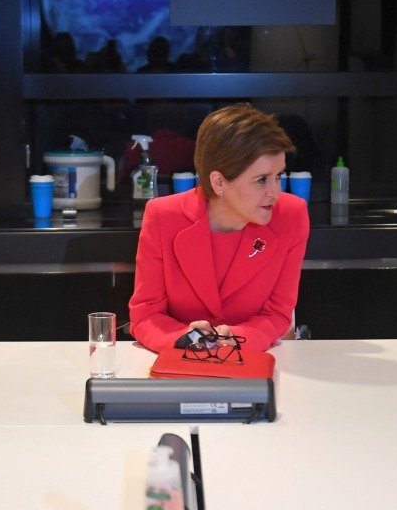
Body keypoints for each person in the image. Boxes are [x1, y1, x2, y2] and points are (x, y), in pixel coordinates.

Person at [129, 103, 309, 353]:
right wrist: (187, 339)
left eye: (278, 176)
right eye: (262, 180)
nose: (276, 192)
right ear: (219, 181)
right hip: (181, 363)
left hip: (260, 359)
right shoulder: (163, 216)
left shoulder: (292, 215)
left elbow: (278, 312)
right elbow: (146, 314)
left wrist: (238, 338)